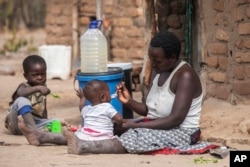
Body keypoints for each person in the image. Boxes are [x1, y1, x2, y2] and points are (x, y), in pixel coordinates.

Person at [18, 31, 215, 154]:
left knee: (132, 136)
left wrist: (133, 125)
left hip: (181, 132)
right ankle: (42, 137)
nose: (152, 65)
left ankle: (83, 147)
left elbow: (174, 119)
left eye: (157, 61)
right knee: (102, 127)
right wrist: (129, 102)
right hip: (157, 124)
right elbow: (149, 111)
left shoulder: (185, 76)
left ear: (172, 58)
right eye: (151, 59)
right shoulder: (160, 72)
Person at [4, 55, 66, 141]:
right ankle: (36, 132)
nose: (40, 77)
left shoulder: (43, 87)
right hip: (17, 122)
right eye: (35, 75)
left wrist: (45, 121)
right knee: (22, 100)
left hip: (30, 125)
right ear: (26, 76)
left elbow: (43, 109)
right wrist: (38, 88)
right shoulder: (24, 86)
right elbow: (20, 93)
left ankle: (44, 133)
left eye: (42, 74)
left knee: (58, 121)